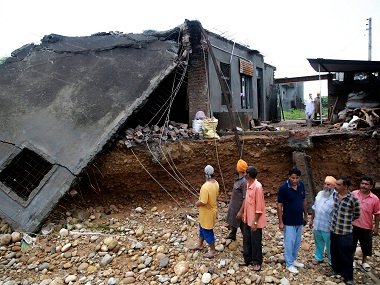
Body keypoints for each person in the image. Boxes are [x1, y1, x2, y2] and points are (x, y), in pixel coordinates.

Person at [329, 176, 360, 285]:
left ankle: (348, 277)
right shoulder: (335, 195)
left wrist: (346, 222)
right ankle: (336, 270)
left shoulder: (353, 199)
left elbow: (357, 214)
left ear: (345, 186)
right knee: (334, 252)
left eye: (338, 185)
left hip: (345, 233)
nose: (336, 186)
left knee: (346, 255)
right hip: (333, 230)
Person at [277, 167, 308, 274]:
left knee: (297, 242)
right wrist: (280, 221)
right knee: (289, 242)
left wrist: (305, 215)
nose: (294, 180)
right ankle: (289, 264)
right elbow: (279, 205)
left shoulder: (301, 185)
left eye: (297, 178)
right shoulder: (283, 188)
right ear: (289, 177)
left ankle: (293, 260)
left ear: (299, 178)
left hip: (299, 219)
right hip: (288, 220)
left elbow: (304, 200)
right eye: (292, 178)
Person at [238, 166, 266, 271]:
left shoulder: (258, 187)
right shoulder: (248, 184)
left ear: (248, 175)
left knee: (256, 241)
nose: (244, 174)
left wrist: (255, 222)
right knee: (246, 240)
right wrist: (242, 212)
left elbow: (259, 208)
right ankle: (247, 259)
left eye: (245, 173)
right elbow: (246, 200)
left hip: (255, 220)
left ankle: (257, 262)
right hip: (247, 218)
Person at [352, 175, 380, 271]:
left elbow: (377, 214)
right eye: (362, 183)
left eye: (366, 184)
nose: (364, 186)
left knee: (366, 245)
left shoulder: (375, 199)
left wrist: (376, 227)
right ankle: (352, 261)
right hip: (353, 225)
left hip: (367, 226)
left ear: (371, 186)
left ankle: (364, 262)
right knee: (352, 244)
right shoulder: (354, 194)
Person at [309, 176, 336, 265]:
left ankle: (332, 261)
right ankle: (319, 257)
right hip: (317, 224)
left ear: (333, 186)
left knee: (330, 245)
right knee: (318, 242)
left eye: (328, 184)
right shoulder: (320, 193)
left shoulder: (336, 197)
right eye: (325, 184)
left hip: (328, 227)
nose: (326, 186)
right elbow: (314, 208)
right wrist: (311, 220)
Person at [194, 164, 220, 258]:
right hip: (210, 211)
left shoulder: (205, 187)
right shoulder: (216, 183)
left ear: (206, 174)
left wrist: (197, 203)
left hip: (207, 213)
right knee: (202, 227)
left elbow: (203, 202)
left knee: (207, 230)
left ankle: (212, 250)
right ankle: (200, 244)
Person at [226, 159, 248, 240]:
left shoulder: (244, 182)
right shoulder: (239, 179)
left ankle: (247, 243)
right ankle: (232, 235)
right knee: (233, 221)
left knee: (242, 226)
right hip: (234, 206)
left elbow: (245, 198)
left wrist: (241, 211)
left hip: (239, 208)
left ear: (239, 169)